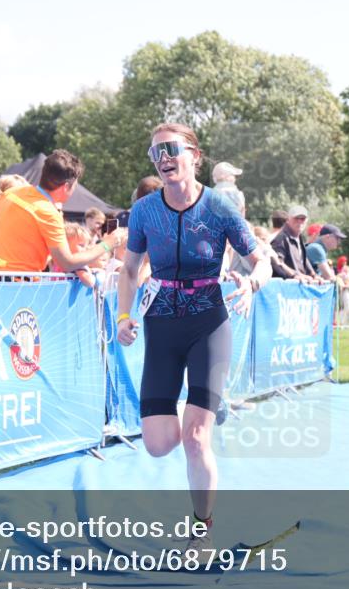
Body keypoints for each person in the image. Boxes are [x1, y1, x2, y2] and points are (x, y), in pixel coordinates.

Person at [116, 122, 272, 553]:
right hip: (161, 322)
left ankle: (201, 531)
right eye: (154, 154)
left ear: (194, 156)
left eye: (170, 150)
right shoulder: (146, 210)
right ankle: (199, 404)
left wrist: (251, 283)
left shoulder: (220, 207)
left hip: (208, 321)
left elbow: (262, 261)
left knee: (196, 438)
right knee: (158, 444)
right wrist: (123, 315)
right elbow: (129, 269)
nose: (163, 159)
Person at [0, 150, 122, 275]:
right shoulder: (50, 214)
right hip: (19, 287)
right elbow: (67, 263)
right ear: (66, 187)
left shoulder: (13, 192)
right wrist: (106, 244)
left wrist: (16, 240)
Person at [270, 205, 319, 281]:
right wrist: (294, 275)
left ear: (306, 220)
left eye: (302, 219)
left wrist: (314, 275)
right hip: (285, 289)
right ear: (288, 220)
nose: (299, 221)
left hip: (297, 286)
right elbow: (277, 263)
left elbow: (304, 260)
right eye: (296, 218)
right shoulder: (281, 238)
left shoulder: (297, 237)